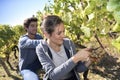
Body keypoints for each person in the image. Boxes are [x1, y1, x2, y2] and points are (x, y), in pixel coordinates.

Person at [36, 15, 92, 80]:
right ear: (47, 34)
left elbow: (78, 69)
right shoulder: (41, 49)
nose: (63, 35)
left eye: (64, 31)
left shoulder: (69, 43)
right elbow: (53, 75)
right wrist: (75, 58)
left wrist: (90, 60)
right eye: (59, 33)